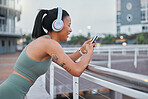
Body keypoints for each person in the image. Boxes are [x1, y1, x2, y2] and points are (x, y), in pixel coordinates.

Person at [0, 7, 95, 99]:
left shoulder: (46, 42)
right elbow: (76, 71)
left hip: (13, 91)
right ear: (58, 25)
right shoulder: (50, 44)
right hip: (11, 93)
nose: (70, 30)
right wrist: (90, 52)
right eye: (69, 25)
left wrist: (82, 51)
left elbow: (66, 60)